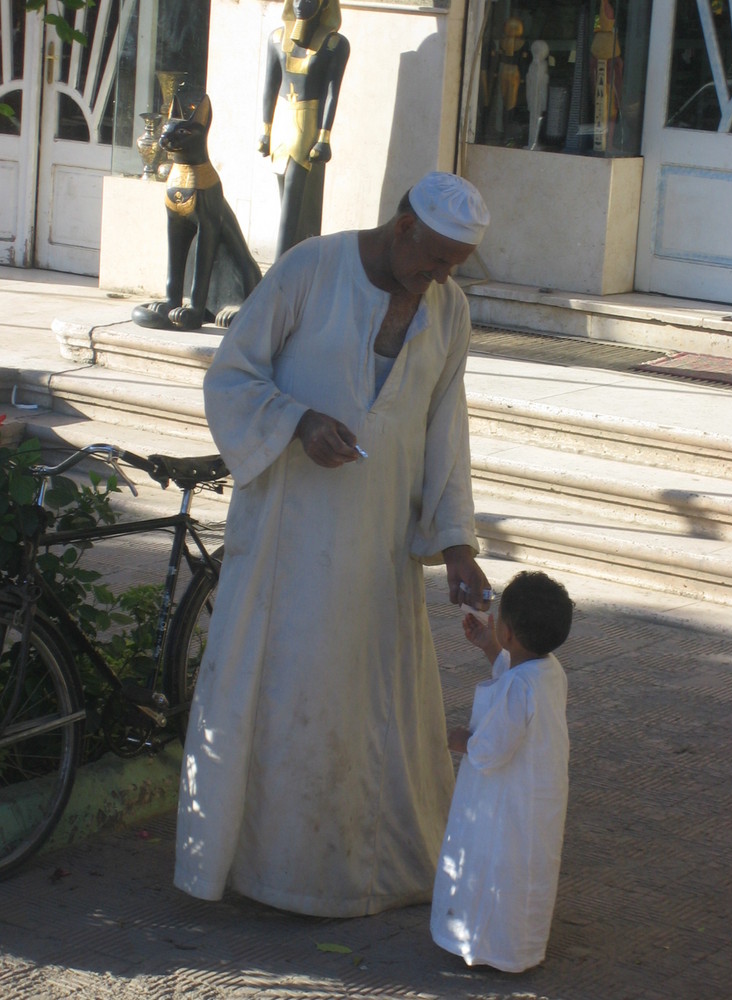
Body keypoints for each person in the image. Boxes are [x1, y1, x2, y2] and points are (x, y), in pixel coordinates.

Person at [174, 171, 492, 918]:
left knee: (368, 698)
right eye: (435, 258)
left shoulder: (449, 308)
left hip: (379, 544)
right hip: (290, 534)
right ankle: (270, 867)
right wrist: (297, 422)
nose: (440, 277)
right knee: (285, 690)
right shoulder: (310, 268)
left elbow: (447, 428)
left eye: (455, 266)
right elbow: (231, 376)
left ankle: (366, 867)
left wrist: (456, 545)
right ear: (403, 223)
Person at [430, 570, 574, 972]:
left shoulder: (520, 687)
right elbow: (516, 674)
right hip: (537, 800)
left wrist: (461, 741)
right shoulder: (550, 672)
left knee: (494, 862)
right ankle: (519, 945)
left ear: (509, 632)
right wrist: (491, 648)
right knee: (527, 869)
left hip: (506, 802)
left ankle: (487, 944)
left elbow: (491, 749)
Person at [258, 0, 350, 260]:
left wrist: (324, 136)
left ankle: (280, 266)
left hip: (306, 127)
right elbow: (270, 88)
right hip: (281, 126)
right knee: (285, 199)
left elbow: (332, 93)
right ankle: (294, 261)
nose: (300, 4)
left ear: (324, 5)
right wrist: (265, 131)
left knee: (293, 202)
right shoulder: (277, 38)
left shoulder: (334, 45)